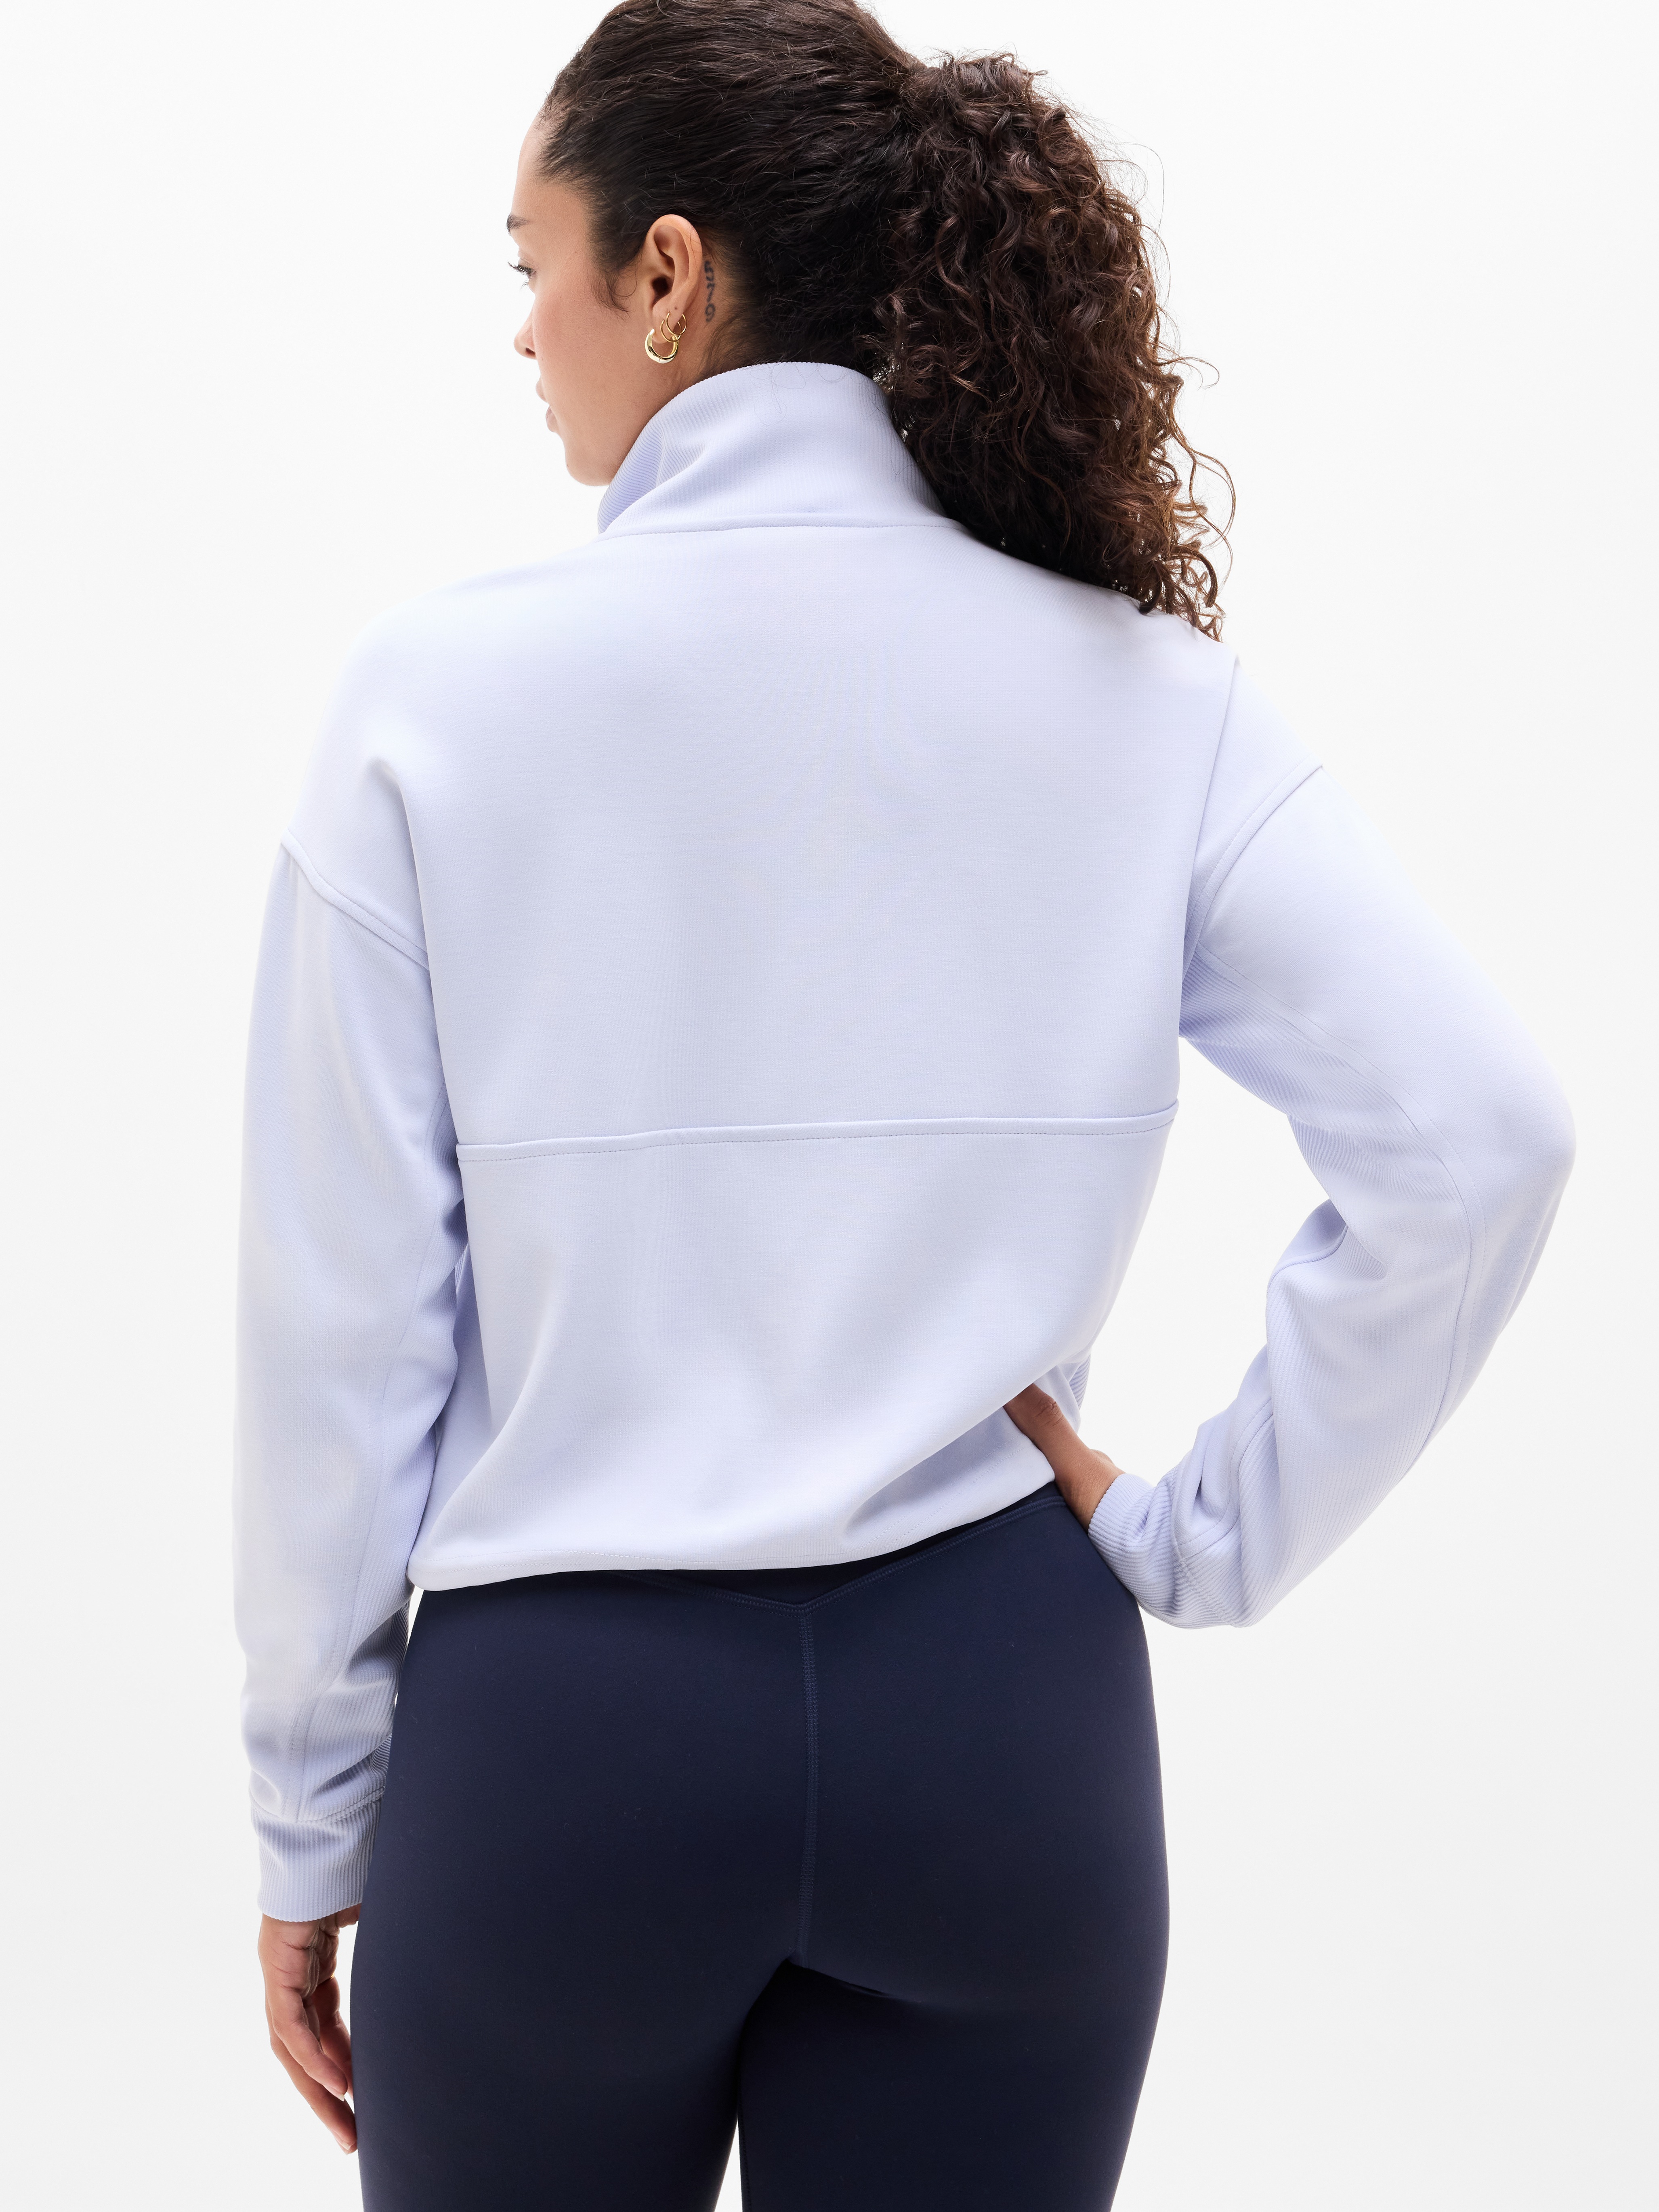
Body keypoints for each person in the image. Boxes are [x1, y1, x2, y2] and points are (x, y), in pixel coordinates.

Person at [233, 3, 1574, 2204]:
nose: (524, 331)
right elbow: (1483, 1134)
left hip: (563, 1758)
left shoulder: (426, 712)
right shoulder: (1150, 695)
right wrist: (1206, 1535)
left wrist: (312, 1815)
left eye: (534, 266)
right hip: (1003, 1730)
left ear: (669, 275)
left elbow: (341, 1332)